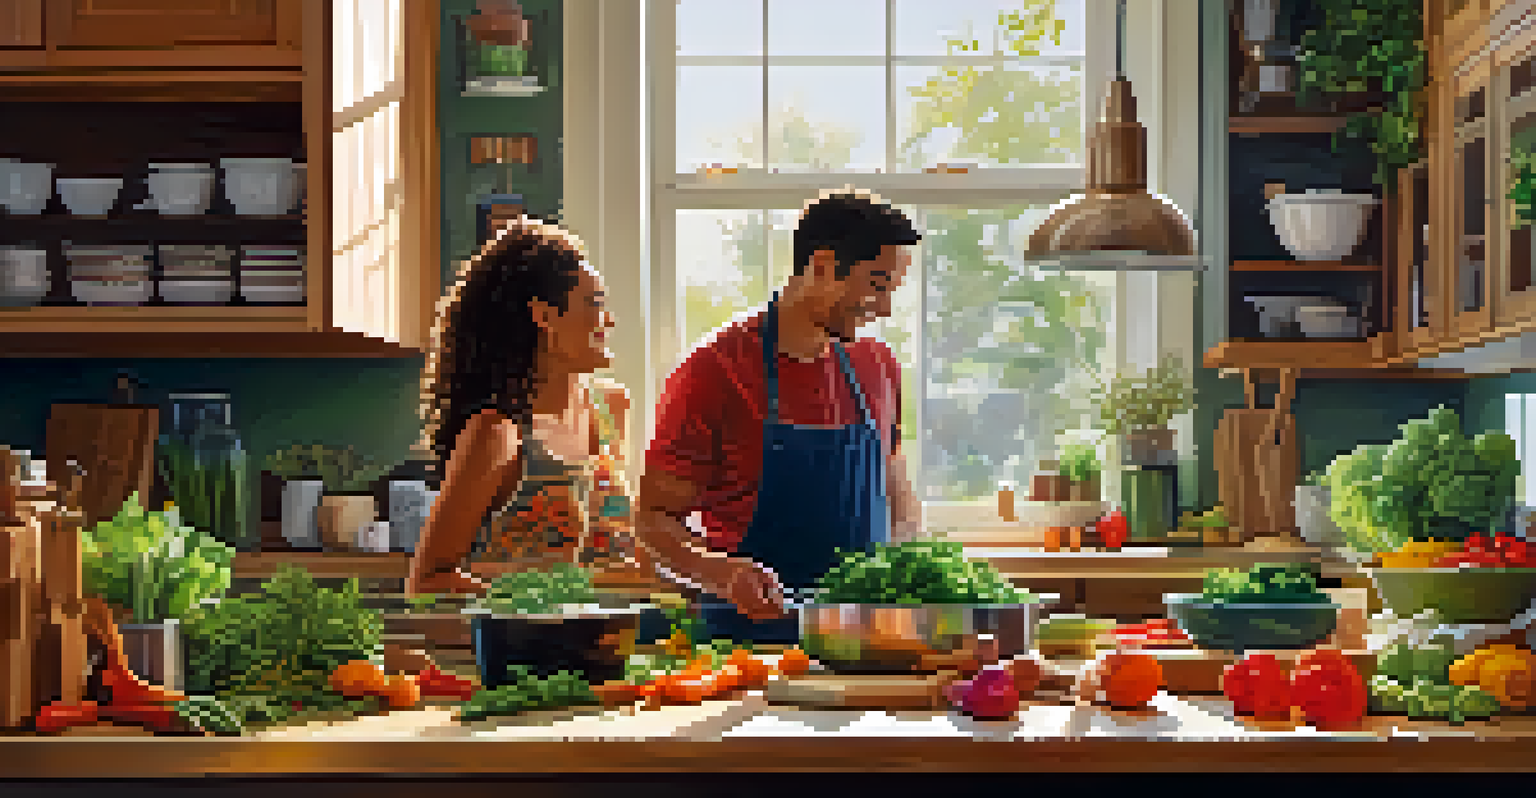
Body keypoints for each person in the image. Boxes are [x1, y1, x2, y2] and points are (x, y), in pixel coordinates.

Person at [636, 187, 925, 641]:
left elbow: (896, 492)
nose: (885, 308)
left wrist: (905, 565)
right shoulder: (716, 370)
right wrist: (720, 574)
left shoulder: (879, 364)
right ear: (822, 266)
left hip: (863, 641)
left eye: (892, 290)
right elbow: (654, 520)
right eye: (876, 285)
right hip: (744, 643)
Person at [408, 216, 636, 597]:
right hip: (520, 634)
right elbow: (427, 583)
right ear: (544, 316)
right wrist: (535, 594)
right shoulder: (496, 434)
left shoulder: (610, 409)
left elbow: (614, 549)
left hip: (608, 631)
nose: (609, 321)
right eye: (594, 304)